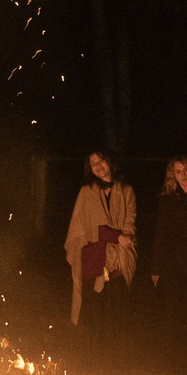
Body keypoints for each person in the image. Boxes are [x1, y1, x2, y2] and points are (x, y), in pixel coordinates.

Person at [63, 151, 137, 359]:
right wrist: (115, 235)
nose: (97, 166)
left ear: (109, 161)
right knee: (93, 310)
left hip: (117, 260)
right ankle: (92, 359)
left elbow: (130, 221)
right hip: (93, 259)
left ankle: (114, 358)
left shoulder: (126, 190)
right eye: (92, 164)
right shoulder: (86, 193)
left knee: (116, 309)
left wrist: (122, 239)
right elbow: (84, 227)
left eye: (100, 161)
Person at [147, 155, 187, 367]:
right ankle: (173, 359)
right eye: (178, 172)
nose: (183, 176)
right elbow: (160, 234)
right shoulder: (168, 199)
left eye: (186, 171)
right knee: (173, 313)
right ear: (172, 176)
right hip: (173, 264)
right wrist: (156, 268)